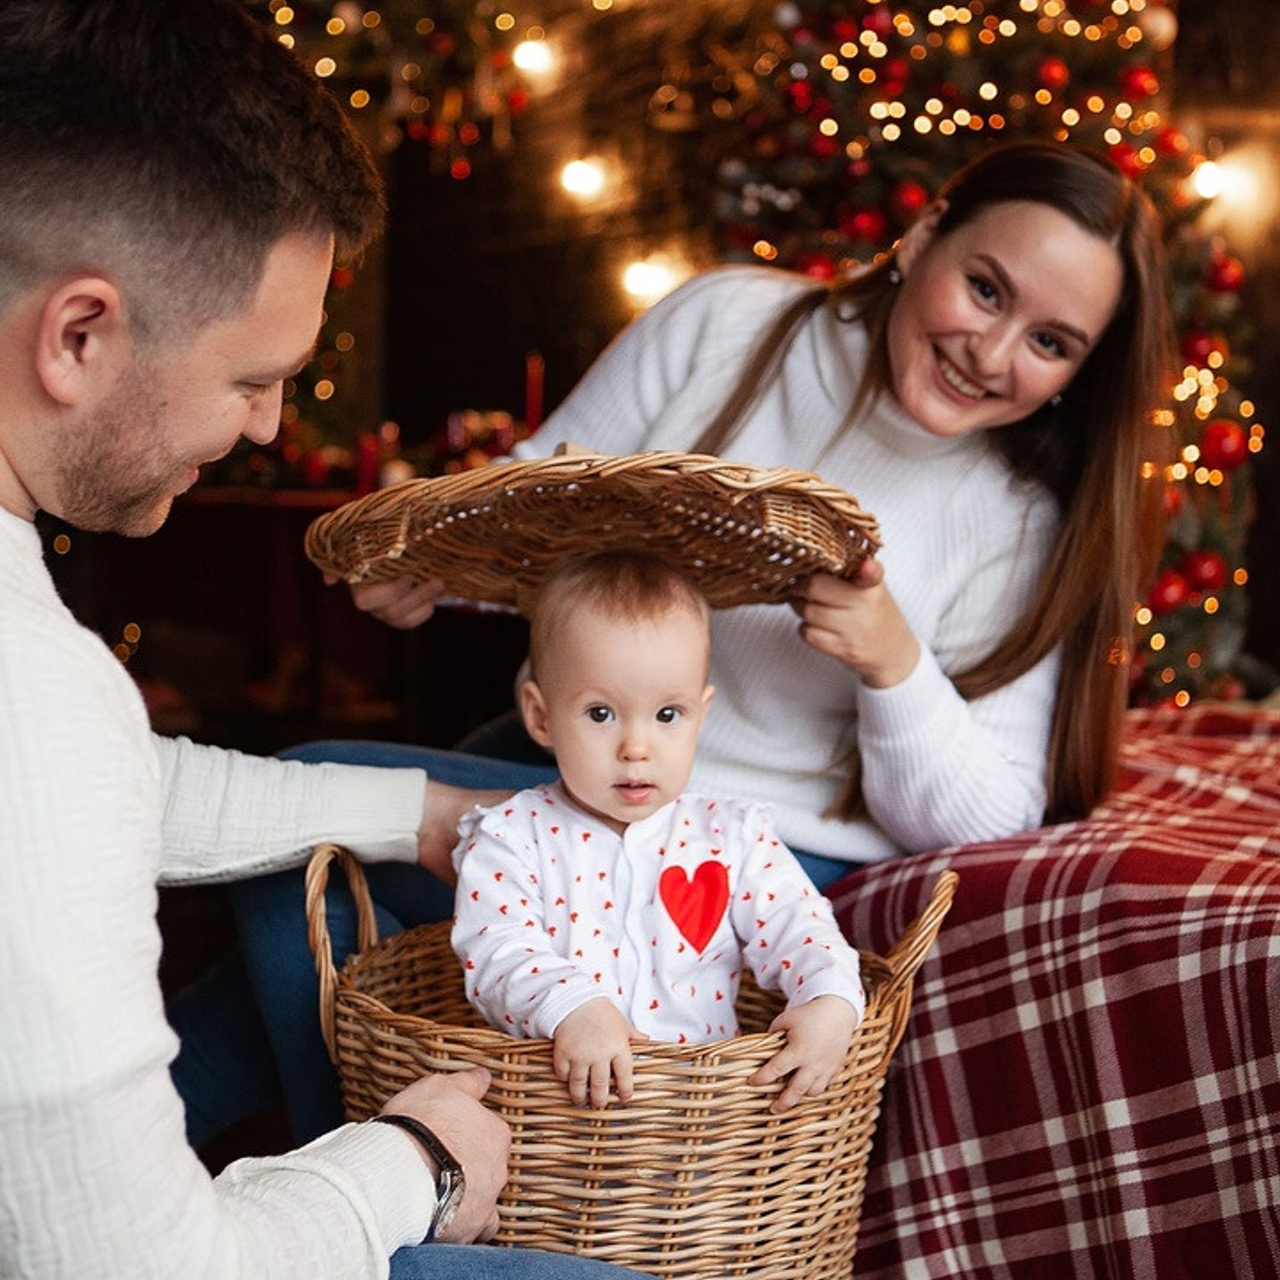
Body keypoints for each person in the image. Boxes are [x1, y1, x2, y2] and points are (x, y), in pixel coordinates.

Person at [200, 138, 1174, 1149]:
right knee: (295, 845)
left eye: (1049, 342)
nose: (991, 349)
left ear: (1076, 372)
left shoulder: (1016, 517)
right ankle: (287, 1194)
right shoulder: (730, 324)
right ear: (920, 234)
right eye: (982, 287)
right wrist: (447, 561)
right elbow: (550, 500)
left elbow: (989, 817)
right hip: (569, 750)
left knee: (309, 808)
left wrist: (894, 666)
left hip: (758, 838)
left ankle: (337, 1197)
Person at [0, 4, 652, 1279]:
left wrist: (419, 814)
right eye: (253, 377)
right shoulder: (33, 696)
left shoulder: (48, 718)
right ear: (78, 336)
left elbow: (104, 787)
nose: (266, 427)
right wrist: (415, 1156)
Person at [451, 550, 865, 1113]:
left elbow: (800, 925)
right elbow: (496, 949)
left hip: (704, 1119)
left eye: (668, 715)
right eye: (601, 714)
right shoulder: (512, 837)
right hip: (557, 1120)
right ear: (541, 717)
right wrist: (573, 1004)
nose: (636, 748)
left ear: (702, 712)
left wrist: (830, 996)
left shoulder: (732, 836)